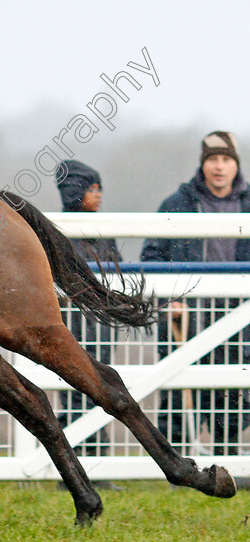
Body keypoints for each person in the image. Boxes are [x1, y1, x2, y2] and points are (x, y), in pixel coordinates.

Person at [141, 131, 250, 457]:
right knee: (178, 391)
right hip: (186, 315)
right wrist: (168, 297)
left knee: (231, 392)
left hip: (238, 318)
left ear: (236, 164)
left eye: (226, 159)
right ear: (203, 164)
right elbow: (152, 256)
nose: (219, 167)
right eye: (212, 160)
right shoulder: (176, 205)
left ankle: (226, 458)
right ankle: (174, 465)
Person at [54, 161, 125, 491]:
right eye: (91, 189)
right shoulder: (59, 230)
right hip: (74, 325)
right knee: (76, 396)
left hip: (99, 325)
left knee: (99, 390)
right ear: (75, 192)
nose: (97, 196)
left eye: (99, 190)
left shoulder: (102, 229)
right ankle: (74, 469)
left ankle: (98, 466)